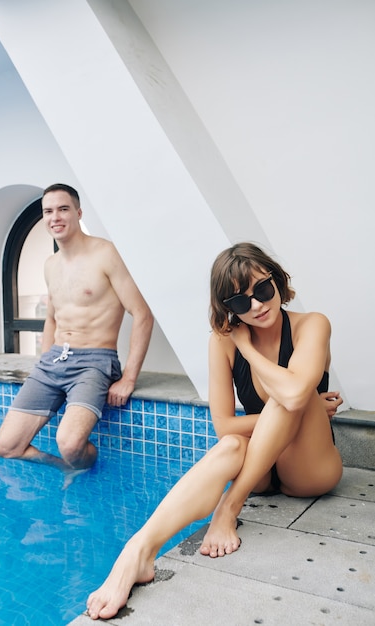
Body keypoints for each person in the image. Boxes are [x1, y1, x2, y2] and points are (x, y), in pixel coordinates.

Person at [85, 241, 343, 620]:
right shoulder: (221, 343)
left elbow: (291, 393)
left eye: (263, 290)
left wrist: (250, 349)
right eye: (240, 303)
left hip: (309, 470)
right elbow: (223, 426)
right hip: (260, 464)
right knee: (230, 447)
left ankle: (228, 507)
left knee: (291, 396)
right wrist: (306, 405)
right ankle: (137, 551)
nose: (256, 306)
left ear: (278, 279)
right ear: (228, 309)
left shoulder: (312, 324)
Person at [0, 183, 154, 485]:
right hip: (53, 361)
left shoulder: (104, 253)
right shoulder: (50, 265)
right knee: (6, 446)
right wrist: (43, 361)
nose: (55, 217)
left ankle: (88, 469)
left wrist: (128, 378)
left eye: (63, 209)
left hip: (94, 361)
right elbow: (52, 317)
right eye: (48, 211)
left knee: (69, 444)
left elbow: (143, 314)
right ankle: (67, 468)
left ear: (78, 213)